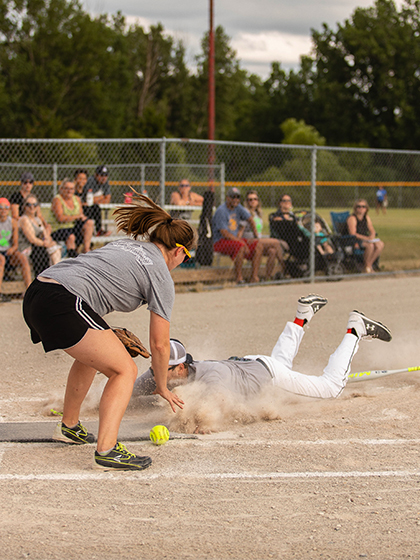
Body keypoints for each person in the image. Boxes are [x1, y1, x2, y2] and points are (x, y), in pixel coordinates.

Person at [22, 192, 196, 471]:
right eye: (185, 257)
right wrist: (161, 386)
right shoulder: (161, 273)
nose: (181, 262)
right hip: (63, 300)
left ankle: (69, 426)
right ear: (178, 251)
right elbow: (161, 344)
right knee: (124, 369)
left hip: (39, 291)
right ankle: (108, 450)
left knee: (94, 357)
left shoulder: (127, 245)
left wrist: (106, 336)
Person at [134, 295, 392, 415]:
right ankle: (302, 315)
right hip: (256, 364)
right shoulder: (168, 372)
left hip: (272, 378)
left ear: (180, 368)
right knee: (280, 361)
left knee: (332, 387)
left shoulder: (212, 376)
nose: (157, 374)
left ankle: (355, 330)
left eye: (163, 370)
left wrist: (199, 419)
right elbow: (132, 391)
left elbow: (216, 404)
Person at [212, 187, 259, 284]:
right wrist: (240, 241)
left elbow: (250, 219)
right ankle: (239, 278)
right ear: (227, 198)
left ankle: (254, 277)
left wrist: (255, 235)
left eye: (238, 197)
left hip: (234, 240)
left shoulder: (238, 207)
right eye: (233, 197)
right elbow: (224, 233)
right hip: (219, 241)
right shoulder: (222, 210)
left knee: (257, 245)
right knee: (240, 246)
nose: (236, 200)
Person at [242, 190, 285, 282]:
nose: (253, 201)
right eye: (250, 199)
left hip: (259, 241)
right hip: (249, 240)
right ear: (246, 202)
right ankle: (285, 268)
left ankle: (267, 278)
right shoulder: (245, 212)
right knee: (276, 242)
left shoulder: (258, 213)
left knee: (272, 251)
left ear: (258, 201)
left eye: (255, 199)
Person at [18, 195, 61, 276]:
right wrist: (46, 244)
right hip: (27, 247)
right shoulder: (24, 219)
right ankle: (51, 275)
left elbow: (45, 234)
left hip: (39, 246)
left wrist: (48, 240)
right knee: (46, 250)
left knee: (55, 248)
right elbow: (32, 239)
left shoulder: (37, 219)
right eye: (29, 205)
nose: (32, 207)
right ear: (24, 206)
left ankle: (55, 275)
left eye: (34, 205)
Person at [50, 178, 94, 257]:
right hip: (59, 228)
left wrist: (82, 217)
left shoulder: (76, 199)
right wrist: (76, 217)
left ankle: (86, 249)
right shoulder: (57, 199)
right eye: (66, 188)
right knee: (71, 237)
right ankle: (72, 258)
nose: (69, 191)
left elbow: (81, 214)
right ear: (61, 189)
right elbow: (60, 218)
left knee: (89, 223)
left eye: (71, 189)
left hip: (73, 226)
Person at [0, 197, 32, 301]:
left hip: (8, 252)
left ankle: (29, 290)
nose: (3, 210)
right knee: (1, 259)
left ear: (9, 209)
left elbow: (15, 244)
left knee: (23, 258)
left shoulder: (13, 222)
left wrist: (12, 249)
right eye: (1, 207)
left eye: (6, 207)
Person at [346, 199, 384, 274]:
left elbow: (371, 229)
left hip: (365, 239)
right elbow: (353, 233)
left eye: (363, 206)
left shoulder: (366, 217)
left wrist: (372, 234)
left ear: (366, 208)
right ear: (355, 208)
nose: (361, 208)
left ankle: (368, 265)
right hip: (354, 240)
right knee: (370, 246)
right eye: (358, 206)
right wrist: (367, 238)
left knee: (380, 244)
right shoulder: (352, 218)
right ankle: (367, 266)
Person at [81, 165, 112, 236]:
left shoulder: (105, 182)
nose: (104, 178)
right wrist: (101, 197)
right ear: (96, 175)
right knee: (95, 208)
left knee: (96, 207)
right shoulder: (90, 181)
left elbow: (107, 199)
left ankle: (98, 231)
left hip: (93, 206)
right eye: (101, 175)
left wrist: (96, 199)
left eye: (105, 175)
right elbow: (88, 200)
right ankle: (96, 231)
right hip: (84, 207)